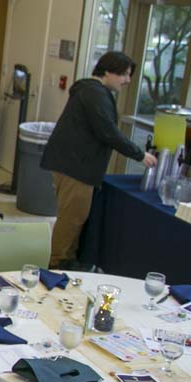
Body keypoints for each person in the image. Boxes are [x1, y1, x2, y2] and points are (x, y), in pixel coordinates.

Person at [42, 51, 156, 269]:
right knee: (72, 218)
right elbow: (108, 131)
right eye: (124, 75)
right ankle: (57, 264)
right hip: (76, 166)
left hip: (73, 165)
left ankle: (66, 261)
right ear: (108, 71)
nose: (127, 81)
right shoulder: (95, 93)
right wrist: (140, 155)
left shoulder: (89, 90)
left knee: (74, 217)